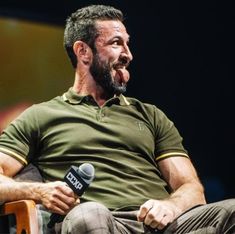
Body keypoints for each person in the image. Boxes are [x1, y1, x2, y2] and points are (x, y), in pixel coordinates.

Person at [0, 4, 234, 234]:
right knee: (89, 214)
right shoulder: (41, 115)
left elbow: (191, 188)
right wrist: (38, 192)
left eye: (127, 44)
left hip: (162, 223)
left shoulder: (150, 114)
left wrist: (171, 206)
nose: (128, 55)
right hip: (100, 220)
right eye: (116, 43)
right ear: (83, 51)